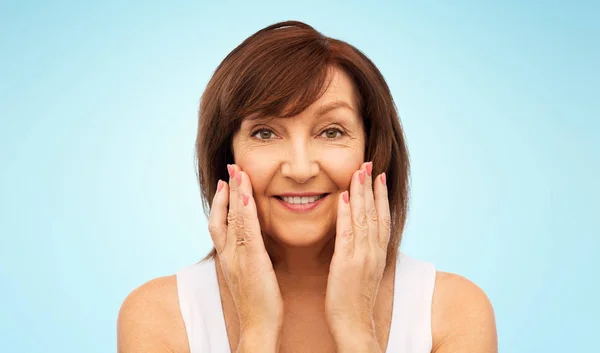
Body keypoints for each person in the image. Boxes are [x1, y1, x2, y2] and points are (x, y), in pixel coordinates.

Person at [117, 21, 497, 353]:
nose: (300, 169)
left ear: (373, 149)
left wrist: (356, 329)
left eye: (331, 132)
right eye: (265, 132)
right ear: (226, 156)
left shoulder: (452, 313)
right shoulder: (159, 316)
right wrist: (257, 330)